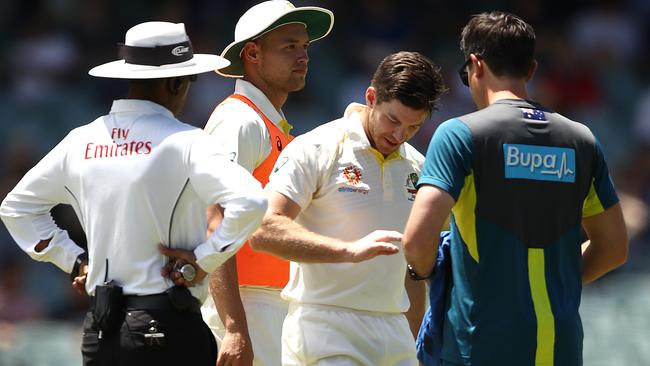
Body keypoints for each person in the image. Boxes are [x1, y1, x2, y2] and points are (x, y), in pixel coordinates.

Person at [0, 21, 268, 366]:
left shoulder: (81, 139)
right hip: (168, 327)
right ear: (175, 82)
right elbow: (252, 200)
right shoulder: (188, 141)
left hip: (99, 330)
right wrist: (203, 260)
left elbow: (17, 208)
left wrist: (74, 260)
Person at [402, 12, 628, 366]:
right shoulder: (581, 140)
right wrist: (558, 283)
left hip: (479, 346)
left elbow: (416, 241)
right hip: (560, 347)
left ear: (475, 66)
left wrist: (423, 273)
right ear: (532, 70)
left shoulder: (460, 134)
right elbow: (614, 248)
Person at [249, 51, 446, 366]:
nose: (398, 136)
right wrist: (348, 251)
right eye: (392, 119)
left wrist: (415, 341)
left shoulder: (419, 166)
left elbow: (412, 267)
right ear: (371, 97)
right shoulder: (317, 147)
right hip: (325, 326)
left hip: (395, 333)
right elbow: (263, 230)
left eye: (413, 127)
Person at [201, 1, 333, 365]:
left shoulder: (267, 121)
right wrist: (234, 327)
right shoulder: (240, 121)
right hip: (248, 305)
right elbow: (215, 220)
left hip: (270, 305)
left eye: (305, 46)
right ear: (253, 53)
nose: (303, 56)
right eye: (289, 46)